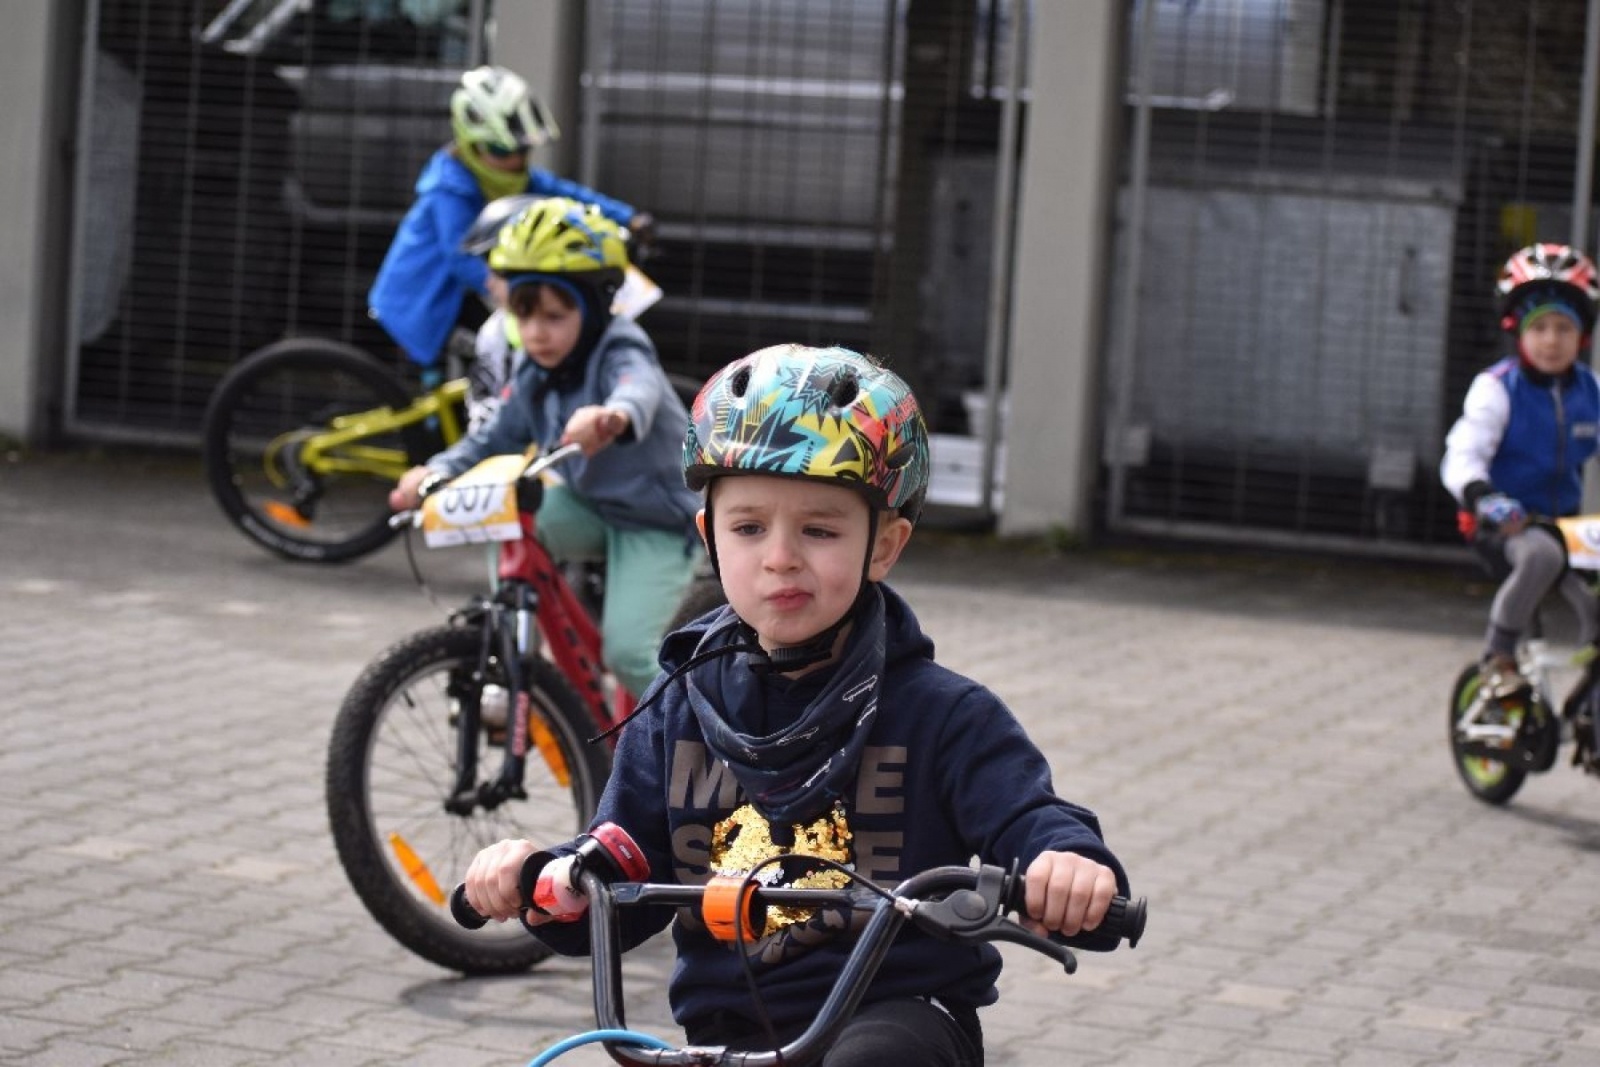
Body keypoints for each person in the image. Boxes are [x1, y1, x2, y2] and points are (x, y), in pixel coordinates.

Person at [460, 344, 1132, 1066]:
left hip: (897, 1016)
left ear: (884, 546)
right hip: (730, 1034)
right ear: (710, 538)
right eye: (748, 528)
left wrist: (1066, 865)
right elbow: (623, 862)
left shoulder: (944, 715)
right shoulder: (679, 705)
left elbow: (1028, 817)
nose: (779, 556)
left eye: (819, 530)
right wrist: (553, 880)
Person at [389, 197, 698, 698]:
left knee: (627, 654)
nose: (536, 333)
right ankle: (514, 650)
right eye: (523, 315)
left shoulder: (619, 344)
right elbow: (493, 438)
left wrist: (611, 416)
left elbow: (636, 386)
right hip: (592, 506)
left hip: (657, 520)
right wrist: (434, 471)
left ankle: (695, 729)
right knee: (510, 518)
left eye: (555, 316)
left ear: (593, 308)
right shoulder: (534, 368)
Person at [366, 65, 652, 397]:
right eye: (503, 151)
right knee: (493, 363)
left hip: (458, 298)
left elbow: (565, 194)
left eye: (522, 150)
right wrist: (505, 287)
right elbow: (459, 256)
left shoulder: (511, 176)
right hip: (422, 305)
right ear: (473, 145)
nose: (515, 162)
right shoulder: (448, 189)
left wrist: (628, 218)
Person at [1441, 242, 1600, 699]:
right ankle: (1499, 656)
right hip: (1501, 522)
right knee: (1542, 557)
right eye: (1540, 327)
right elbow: (1462, 454)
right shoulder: (1496, 389)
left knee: (1589, 592)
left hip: (1564, 525)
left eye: (1564, 328)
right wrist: (1483, 496)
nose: (1552, 340)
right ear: (1517, 330)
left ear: (1582, 337)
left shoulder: (1590, 391)